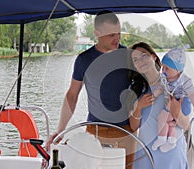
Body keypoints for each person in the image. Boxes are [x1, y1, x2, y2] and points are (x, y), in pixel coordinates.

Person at [46, 10, 136, 169]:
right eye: (111, 35)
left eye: (119, 33)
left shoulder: (129, 56)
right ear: (97, 33)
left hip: (126, 130)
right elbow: (72, 95)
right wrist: (60, 129)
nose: (117, 38)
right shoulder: (83, 60)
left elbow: (148, 85)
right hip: (94, 132)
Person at [127, 42, 191, 169]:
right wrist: (139, 107)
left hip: (171, 153)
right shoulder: (135, 89)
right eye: (135, 60)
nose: (140, 61)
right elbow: (134, 126)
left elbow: (186, 125)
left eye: (144, 56)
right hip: (145, 152)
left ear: (154, 57)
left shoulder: (176, 84)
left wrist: (176, 112)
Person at [152, 47, 194, 153]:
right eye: (163, 67)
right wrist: (155, 95)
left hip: (183, 105)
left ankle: (162, 139)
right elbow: (161, 88)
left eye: (167, 68)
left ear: (178, 69)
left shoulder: (185, 80)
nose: (163, 71)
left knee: (163, 117)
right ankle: (170, 140)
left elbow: (192, 94)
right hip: (169, 105)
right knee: (169, 122)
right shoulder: (164, 78)